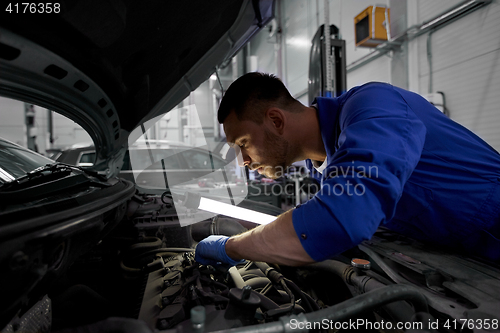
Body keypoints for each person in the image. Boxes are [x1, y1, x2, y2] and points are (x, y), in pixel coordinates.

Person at [195, 72, 500, 266]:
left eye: (244, 143)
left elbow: (342, 215)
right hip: (472, 255)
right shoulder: (329, 165)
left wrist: (232, 248)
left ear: (276, 121)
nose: (243, 161)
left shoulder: (374, 106)